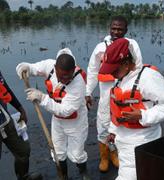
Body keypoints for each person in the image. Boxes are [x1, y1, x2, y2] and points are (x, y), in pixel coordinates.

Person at [99, 38, 164, 180]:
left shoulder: (149, 77)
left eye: (114, 69)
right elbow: (116, 109)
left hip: (142, 141)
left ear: (126, 63)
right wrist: (113, 131)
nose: (112, 74)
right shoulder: (121, 78)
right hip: (122, 140)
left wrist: (142, 115)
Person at [16, 48, 91, 180]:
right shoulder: (49, 66)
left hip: (76, 122)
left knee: (77, 153)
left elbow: (65, 110)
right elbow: (34, 68)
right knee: (57, 150)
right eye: (61, 76)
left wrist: (42, 98)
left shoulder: (78, 83)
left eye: (68, 76)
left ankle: (83, 173)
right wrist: (25, 67)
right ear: (55, 68)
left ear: (74, 70)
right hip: (57, 120)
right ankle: (63, 176)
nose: (64, 79)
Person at [86, 15, 142, 172]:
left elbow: (138, 67)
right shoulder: (100, 48)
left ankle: (115, 153)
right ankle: (104, 156)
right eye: (114, 28)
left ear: (126, 30)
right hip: (105, 94)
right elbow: (92, 70)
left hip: (124, 92)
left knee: (122, 122)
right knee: (103, 123)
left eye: (120, 29)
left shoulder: (132, 45)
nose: (116, 31)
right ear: (109, 28)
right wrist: (88, 92)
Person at [0, 71, 42, 180]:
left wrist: (20, 108)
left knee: (23, 151)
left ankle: (23, 177)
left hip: (5, 120)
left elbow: (4, 87)